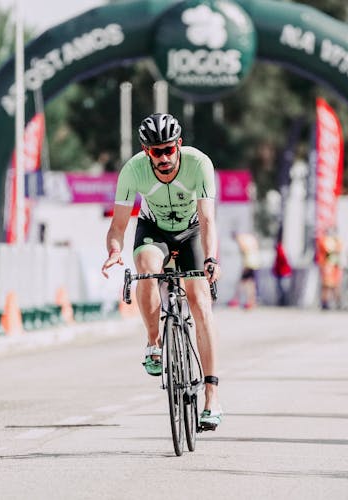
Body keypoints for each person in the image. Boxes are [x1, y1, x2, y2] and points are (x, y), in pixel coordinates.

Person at [101, 113, 222, 430]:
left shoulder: (199, 164)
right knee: (146, 269)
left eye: (169, 149)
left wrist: (210, 259)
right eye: (157, 152)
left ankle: (211, 399)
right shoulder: (132, 171)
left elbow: (208, 219)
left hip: (191, 231)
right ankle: (154, 343)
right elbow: (118, 225)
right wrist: (115, 250)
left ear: (179, 144)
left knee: (201, 304)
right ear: (146, 151)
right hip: (154, 230)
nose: (165, 157)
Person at [228, 231, 260, 310]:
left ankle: (237, 300)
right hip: (255, 262)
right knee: (250, 283)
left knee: (243, 283)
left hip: (249, 263)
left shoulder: (240, 239)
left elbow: (245, 251)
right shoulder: (249, 238)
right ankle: (250, 301)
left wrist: (244, 266)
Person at [318, 227, 343, 310]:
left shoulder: (336, 241)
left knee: (335, 286)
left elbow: (338, 250)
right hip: (328, 266)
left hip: (334, 266)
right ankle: (325, 303)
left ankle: (337, 303)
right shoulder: (325, 240)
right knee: (326, 286)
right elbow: (327, 250)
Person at [272, 239, 292, 306]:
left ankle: (284, 302)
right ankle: (283, 302)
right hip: (281, 272)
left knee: (283, 289)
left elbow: (283, 261)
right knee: (281, 289)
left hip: (283, 272)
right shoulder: (280, 250)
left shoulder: (280, 250)